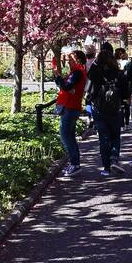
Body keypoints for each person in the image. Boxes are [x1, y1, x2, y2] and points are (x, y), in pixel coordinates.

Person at [87, 41, 129, 176]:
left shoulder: (96, 73)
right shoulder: (119, 74)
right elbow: (126, 94)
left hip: (99, 109)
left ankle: (106, 168)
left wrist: (96, 62)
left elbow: (89, 79)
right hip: (115, 109)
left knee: (104, 138)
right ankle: (114, 157)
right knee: (115, 135)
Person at [52, 48, 87, 178]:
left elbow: (66, 87)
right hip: (71, 107)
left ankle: (75, 164)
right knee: (69, 137)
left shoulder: (77, 72)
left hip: (70, 108)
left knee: (66, 136)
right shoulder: (76, 72)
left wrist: (59, 77)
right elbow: (65, 87)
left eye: (70, 58)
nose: (67, 60)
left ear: (77, 59)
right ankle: (75, 163)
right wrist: (58, 77)